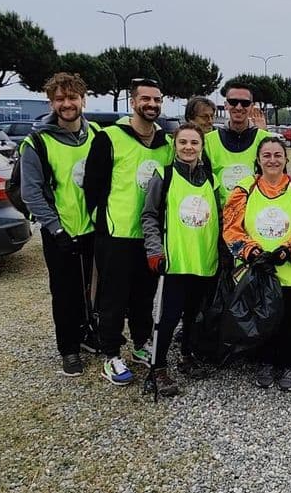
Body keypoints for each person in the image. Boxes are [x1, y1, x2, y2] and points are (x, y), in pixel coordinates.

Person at [84, 78, 173, 386]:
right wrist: (103, 222)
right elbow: (92, 187)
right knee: (113, 298)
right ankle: (110, 354)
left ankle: (139, 344)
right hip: (116, 234)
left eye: (157, 100)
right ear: (133, 102)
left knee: (143, 296)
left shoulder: (166, 144)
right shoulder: (110, 138)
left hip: (149, 237)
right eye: (145, 99)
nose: (152, 104)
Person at [223, 137, 291, 392]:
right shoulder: (245, 188)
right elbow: (231, 228)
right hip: (258, 269)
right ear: (258, 159)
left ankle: (288, 364)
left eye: (278, 155)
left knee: (290, 318)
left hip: (290, 270)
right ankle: (264, 361)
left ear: (286, 159)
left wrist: (289, 251)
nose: (272, 160)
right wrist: (251, 252)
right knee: (262, 316)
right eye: (267, 155)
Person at [20, 72, 100, 376]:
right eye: (60, 99)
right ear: (51, 102)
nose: (67, 104)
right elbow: (31, 193)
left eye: (72, 97)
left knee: (91, 291)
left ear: (82, 99)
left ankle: (87, 333)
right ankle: (68, 349)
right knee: (65, 293)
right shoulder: (37, 142)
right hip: (60, 232)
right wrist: (55, 228)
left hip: (92, 229)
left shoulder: (95, 136)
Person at [140, 123, 218, 397]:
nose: (188, 147)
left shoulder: (211, 179)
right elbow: (149, 215)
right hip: (175, 262)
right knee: (168, 316)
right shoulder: (165, 175)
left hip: (204, 261)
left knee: (193, 314)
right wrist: (154, 250)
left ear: (202, 147)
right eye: (183, 142)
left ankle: (187, 355)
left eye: (194, 143)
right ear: (175, 145)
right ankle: (159, 367)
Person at [204, 82, 269, 208]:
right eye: (233, 102)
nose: (239, 107)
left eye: (244, 103)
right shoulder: (208, 141)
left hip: (255, 217)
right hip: (221, 218)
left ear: (251, 106)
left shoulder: (266, 139)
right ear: (226, 105)